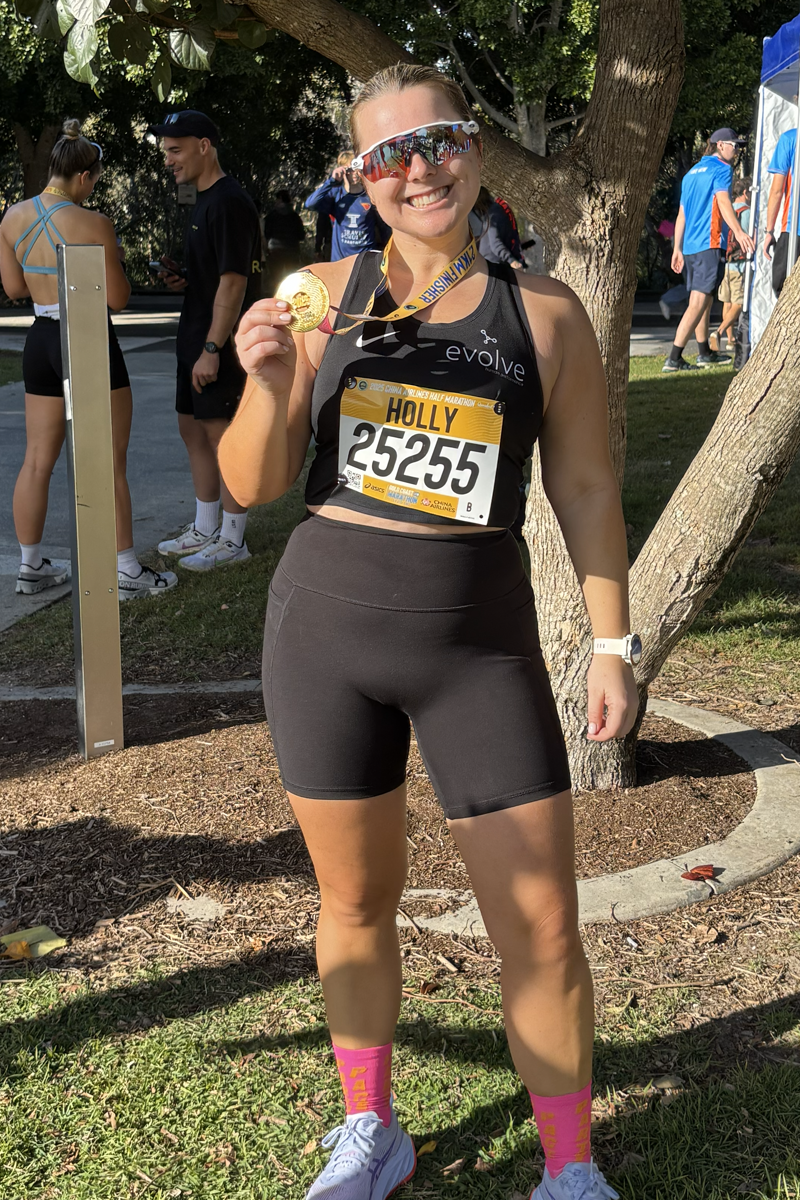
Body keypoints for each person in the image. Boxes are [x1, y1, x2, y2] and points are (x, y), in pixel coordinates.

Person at [220, 64, 638, 1200]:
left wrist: (611, 644)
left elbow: (588, 489)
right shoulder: (317, 295)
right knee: (353, 902)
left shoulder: (543, 315)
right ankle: (371, 1131)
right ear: (360, 176)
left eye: (440, 140)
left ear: (476, 150)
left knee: (542, 925)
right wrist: (264, 381)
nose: (420, 169)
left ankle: (566, 1167)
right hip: (325, 636)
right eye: (389, 155)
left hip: (477, 649)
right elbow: (253, 482)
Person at [0, 118, 177, 600]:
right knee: (109, 462)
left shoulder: (12, 217)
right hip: (88, 338)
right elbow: (117, 298)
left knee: (37, 459)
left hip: (41, 339)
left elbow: (14, 288)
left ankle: (31, 564)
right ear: (84, 177)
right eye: (95, 179)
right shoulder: (93, 222)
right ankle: (125, 570)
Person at [149, 110, 262, 570]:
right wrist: (185, 279)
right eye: (165, 152)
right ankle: (205, 526)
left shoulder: (230, 200)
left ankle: (234, 539)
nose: (169, 161)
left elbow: (234, 283)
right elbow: (212, 274)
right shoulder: (200, 198)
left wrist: (213, 349)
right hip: (193, 334)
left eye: (175, 150)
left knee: (224, 438)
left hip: (218, 343)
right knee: (191, 429)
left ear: (203, 145)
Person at [663, 127, 754, 373]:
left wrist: (677, 248)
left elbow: (682, 214)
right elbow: (724, 202)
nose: (737, 151)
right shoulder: (722, 169)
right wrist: (739, 232)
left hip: (691, 247)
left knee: (705, 299)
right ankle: (674, 358)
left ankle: (704, 353)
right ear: (721, 145)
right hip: (709, 242)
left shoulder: (692, 173)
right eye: (735, 146)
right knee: (698, 302)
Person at [304, 152, 390, 260]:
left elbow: (384, 227)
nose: (354, 173)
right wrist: (331, 181)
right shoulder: (336, 195)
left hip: (365, 261)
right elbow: (309, 204)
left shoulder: (370, 196)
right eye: (349, 170)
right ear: (343, 171)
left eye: (356, 168)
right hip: (341, 260)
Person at [710, 177, 751, 353]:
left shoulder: (727, 211)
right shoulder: (747, 212)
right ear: (745, 193)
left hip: (727, 262)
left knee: (726, 301)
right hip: (741, 265)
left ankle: (730, 339)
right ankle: (718, 332)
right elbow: (750, 236)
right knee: (739, 303)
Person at [763, 119, 800, 296]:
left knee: (783, 288)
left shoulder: (790, 138)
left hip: (794, 228)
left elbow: (777, 191)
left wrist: (769, 231)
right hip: (793, 228)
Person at [262, 188, 306, 291]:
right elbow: (301, 236)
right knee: (291, 278)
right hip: (292, 251)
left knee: (275, 278)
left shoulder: (272, 216)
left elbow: (266, 233)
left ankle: (274, 298)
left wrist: (266, 248)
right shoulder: (295, 217)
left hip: (275, 251)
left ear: (280, 200)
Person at [481, 191, 526, 270]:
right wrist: (512, 261)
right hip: (495, 265)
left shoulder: (501, 210)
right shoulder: (496, 211)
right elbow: (495, 244)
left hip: (497, 262)